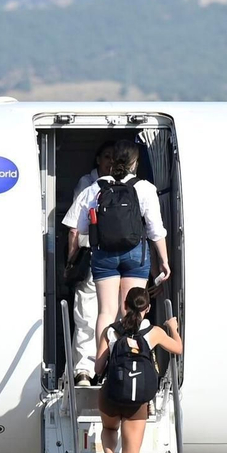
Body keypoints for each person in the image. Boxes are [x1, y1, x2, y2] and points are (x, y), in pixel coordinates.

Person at [63, 142, 170, 371]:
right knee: (131, 310)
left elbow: (76, 229)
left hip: (104, 256)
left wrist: (71, 259)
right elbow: (155, 230)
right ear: (135, 163)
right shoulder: (145, 188)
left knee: (105, 312)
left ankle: (100, 367)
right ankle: (133, 363)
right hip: (135, 256)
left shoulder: (94, 187)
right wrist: (164, 261)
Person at [94, 286, 182, 453]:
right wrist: (172, 327)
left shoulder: (110, 332)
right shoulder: (153, 333)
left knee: (109, 429)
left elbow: (99, 368)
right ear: (147, 308)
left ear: (125, 306)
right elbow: (178, 348)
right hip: (137, 404)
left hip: (111, 396)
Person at [63, 140, 120, 384]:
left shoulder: (88, 188)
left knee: (89, 315)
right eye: (106, 156)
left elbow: (74, 227)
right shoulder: (92, 184)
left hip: (92, 255)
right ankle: (94, 368)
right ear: (97, 159)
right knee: (100, 314)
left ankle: (87, 368)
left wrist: (70, 259)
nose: (109, 161)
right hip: (111, 260)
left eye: (113, 158)